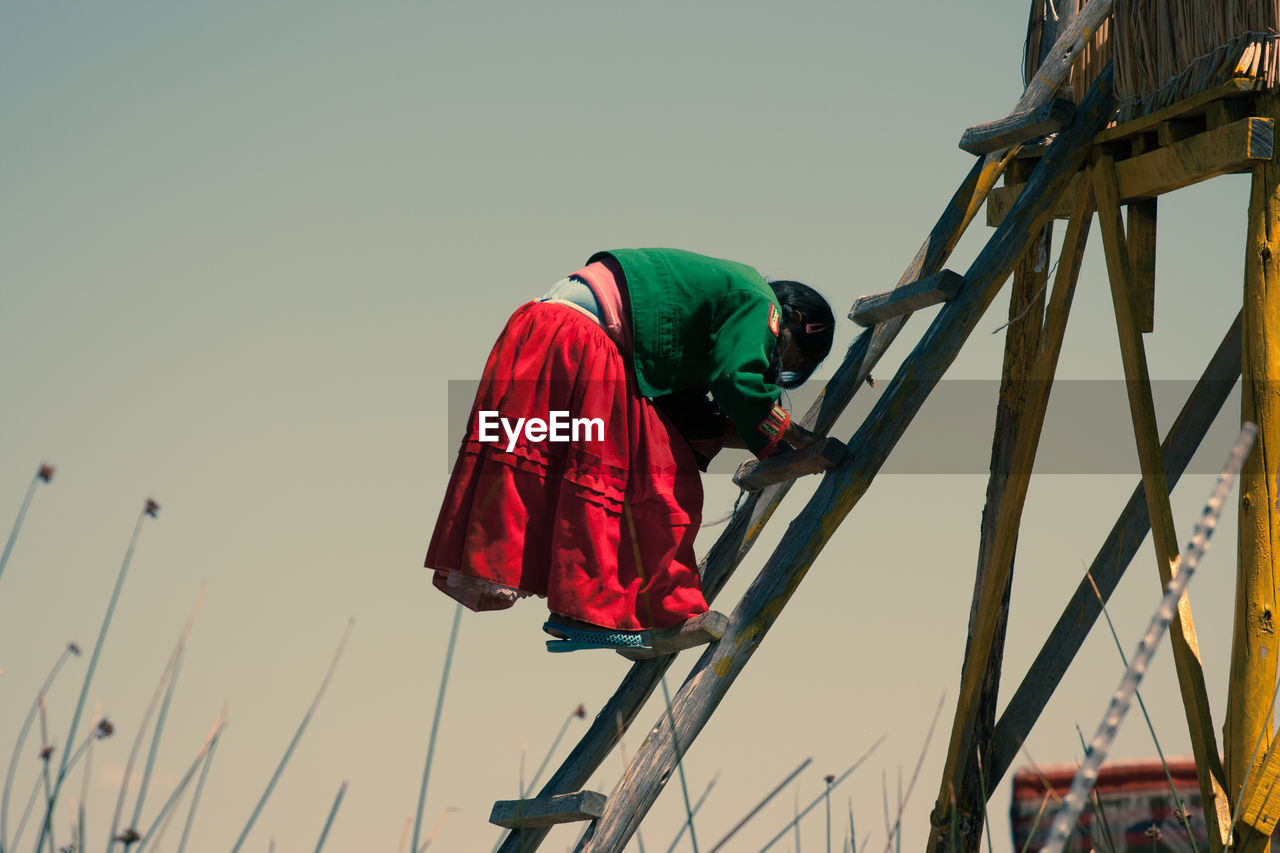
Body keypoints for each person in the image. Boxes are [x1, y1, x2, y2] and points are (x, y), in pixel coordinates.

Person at [425, 248, 836, 652]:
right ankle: (607, 614)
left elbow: (687, 417)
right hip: (583, 339)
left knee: (566, 480)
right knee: (656, 482)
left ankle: (581, 612)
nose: (772, 358)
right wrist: (800, 439)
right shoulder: (758, 302)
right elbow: (738, 384)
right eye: (785, 353)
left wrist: (756, 434)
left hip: (544, 331)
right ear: (794, 319)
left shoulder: (710, 310)